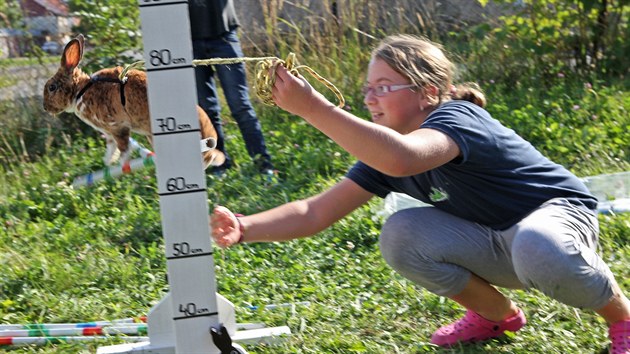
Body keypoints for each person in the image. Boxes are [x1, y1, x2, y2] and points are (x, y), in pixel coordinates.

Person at [209, 34, 630, 352]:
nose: (370, 98)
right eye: (367, 89)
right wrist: (245, 227)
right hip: (499, 242)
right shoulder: (385, 150)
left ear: (428, 92)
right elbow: (314, 212)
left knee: (536, 245)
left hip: (554, 221)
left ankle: (621, 317)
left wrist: (314, 108)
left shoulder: (458, 117)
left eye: (383, 87)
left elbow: (404, 159)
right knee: (401, 233)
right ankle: (497, 316)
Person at [188, 0, 274, 176]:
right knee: (206, 111)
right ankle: (219, 164)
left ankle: (264, 165)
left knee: (240, 105)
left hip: (224, 35)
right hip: (189, 41)